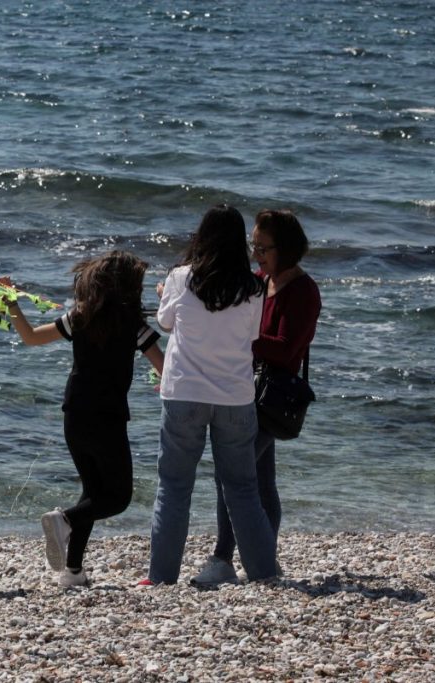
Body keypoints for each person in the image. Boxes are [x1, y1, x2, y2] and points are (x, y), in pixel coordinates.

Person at [0, 251, 164, 588]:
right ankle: (64, 519)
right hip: (108, 419)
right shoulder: (134, 326)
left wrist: (11, 303)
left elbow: (31, 337)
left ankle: (72, 571)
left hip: (74, 414)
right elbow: (165, 368)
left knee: (93, 491)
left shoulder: (80, 317)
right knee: (117, 497)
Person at [145, 205, 278, 585]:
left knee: (174, 487)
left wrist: (164, 295)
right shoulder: (254, 287)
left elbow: (165, 322)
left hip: (184, 391)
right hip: (235, 396)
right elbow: (252, 335)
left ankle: (161, 577)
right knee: (243, 489)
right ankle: (264, 574)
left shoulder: (181, 277)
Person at [192, 209, 322, 586]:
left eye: (263, 248)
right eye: (254, 246)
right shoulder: (262, 281)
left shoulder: (303, 291)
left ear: (287, 249)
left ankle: (223, 558)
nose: (255, 255)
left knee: (232, 473)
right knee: (262, 482)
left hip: (272, 397)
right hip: (248, 389)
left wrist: (239, 336)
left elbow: (285, 349)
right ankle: (265, 559)